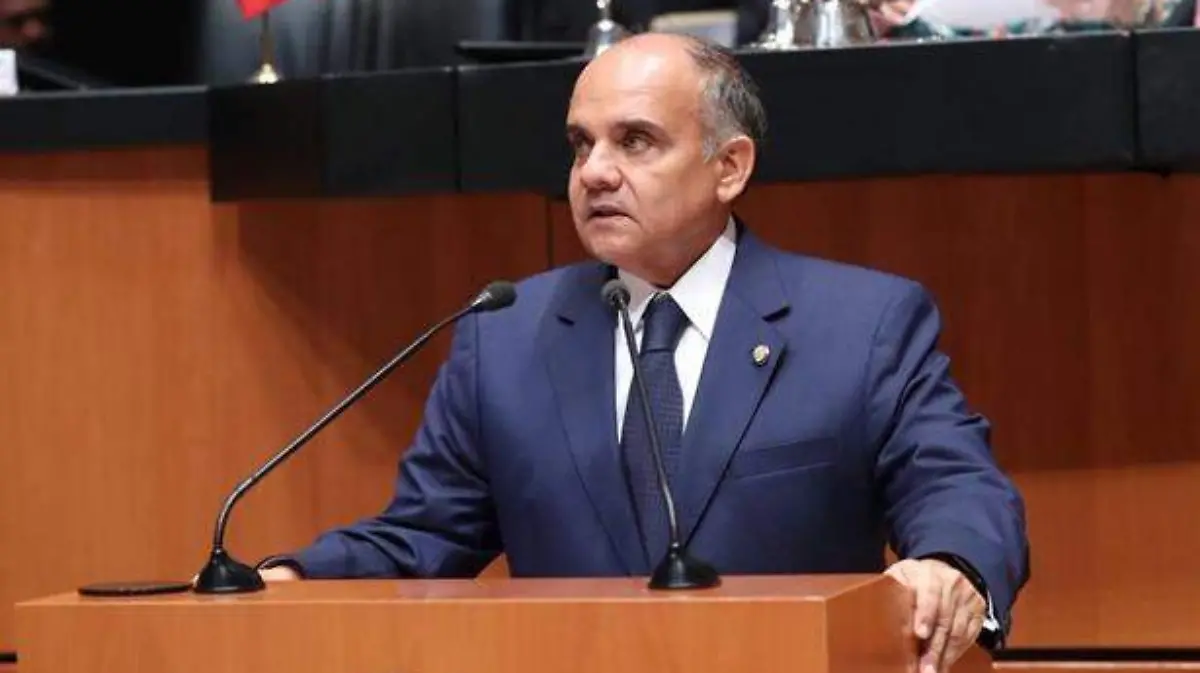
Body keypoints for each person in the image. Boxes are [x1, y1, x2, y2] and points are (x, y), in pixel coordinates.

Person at [258, 33, 1030, 673]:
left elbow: (957, 486)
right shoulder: (505, 335)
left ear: (729, 166)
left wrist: (952, 566)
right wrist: (289, 576)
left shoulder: (860, 323)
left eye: (635, 141)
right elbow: (425, 535)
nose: (595, 171)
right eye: (581, 144)